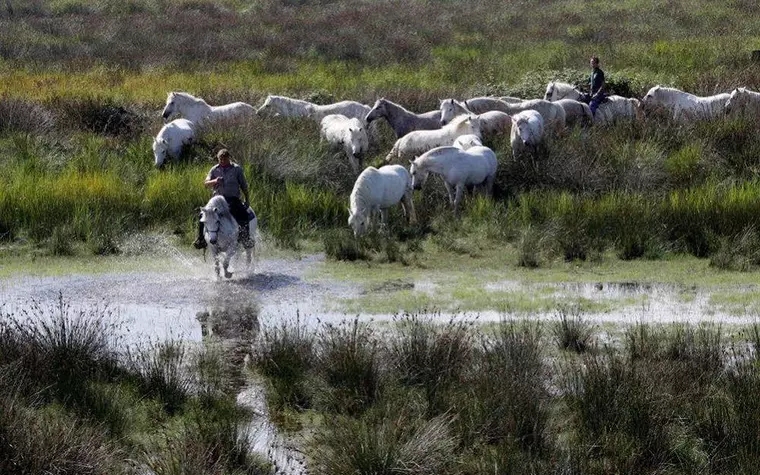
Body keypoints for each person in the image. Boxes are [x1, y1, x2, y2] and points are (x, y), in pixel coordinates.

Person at [193, 148, 252, 249]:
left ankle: (245, 238)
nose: (222, 161)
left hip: (232, 199)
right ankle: (201, 239)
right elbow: (206, 184)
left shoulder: (237, 169)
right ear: (218, 159)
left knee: (243, 213)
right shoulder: (214, 169)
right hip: (217, 199)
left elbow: (243, 185)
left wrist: (247, 199)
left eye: (224, 159)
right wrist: (215, 181)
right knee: (202, 214)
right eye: (220, 159)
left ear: (229, 158)